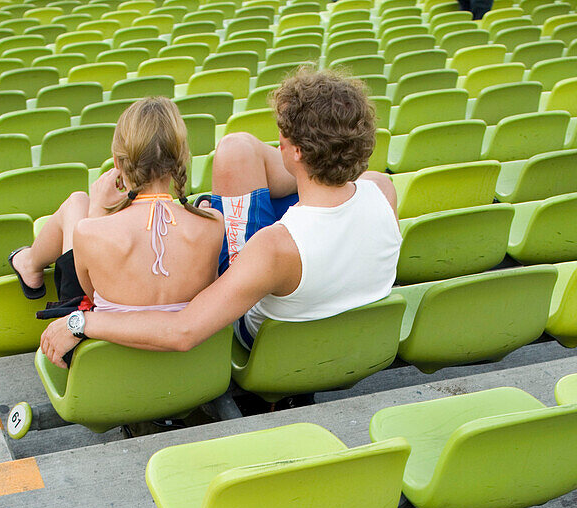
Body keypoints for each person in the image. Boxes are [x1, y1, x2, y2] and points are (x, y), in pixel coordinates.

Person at [40, 68, 401, 368]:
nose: (277, 144)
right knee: (238, 149)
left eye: (283, 139)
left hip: (271, 337)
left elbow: (183, 331)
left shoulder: (273, 248)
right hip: (353, 322)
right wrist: (329, 149)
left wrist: (81, 321)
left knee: (233, 153)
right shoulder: (382, 190)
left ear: (295, 151)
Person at [9, 97, 224, 328]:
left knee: (77, 202)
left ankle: (30, 263)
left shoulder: (89, 230)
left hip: (104, 350)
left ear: (117, 163)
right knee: (79, 206)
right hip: (194, 357)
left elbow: (92, 296)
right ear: (181, 159)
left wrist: (97, 213)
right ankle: (29, 261)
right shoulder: (213, 223)